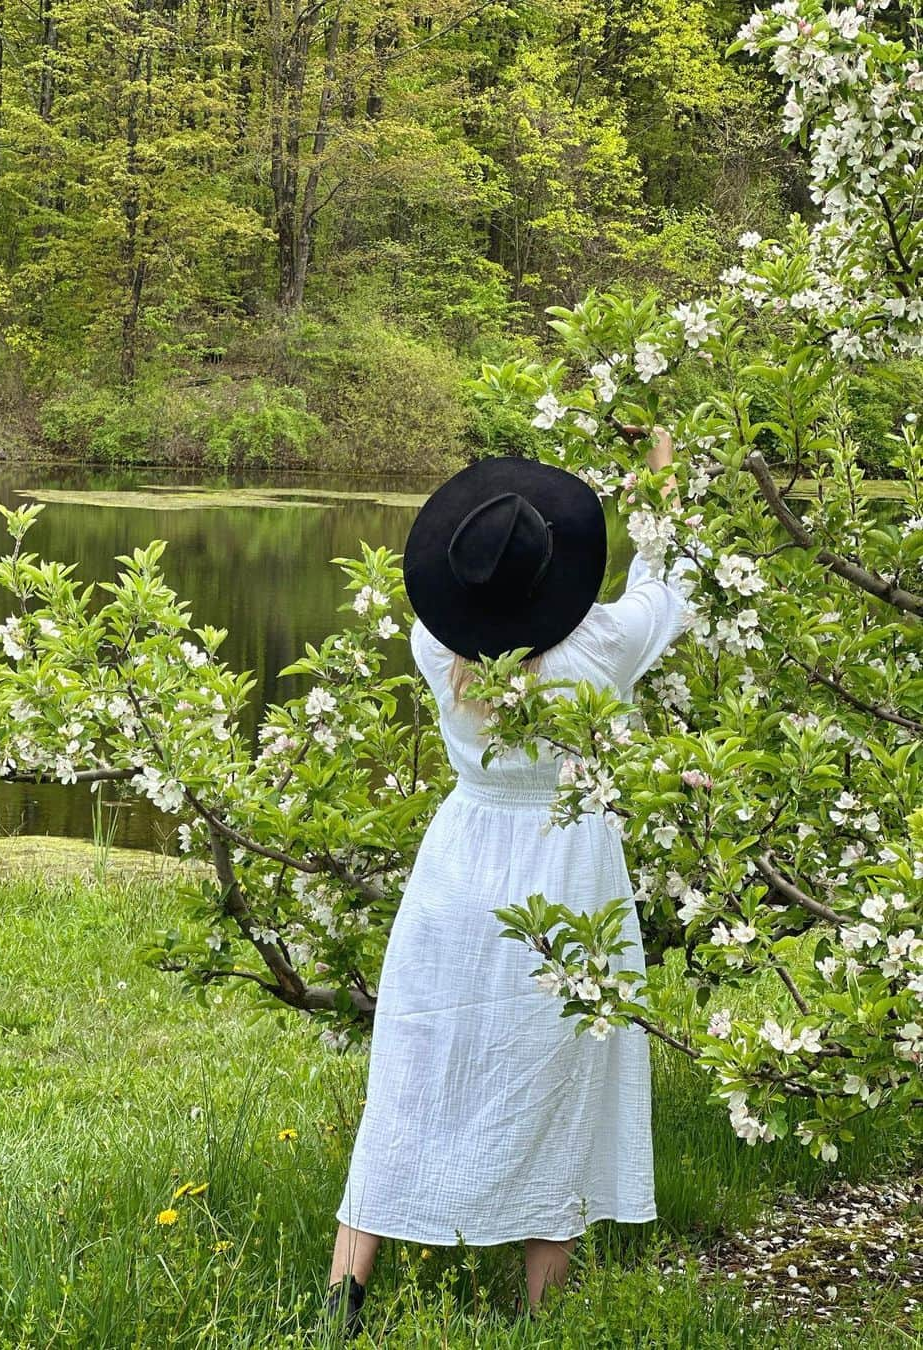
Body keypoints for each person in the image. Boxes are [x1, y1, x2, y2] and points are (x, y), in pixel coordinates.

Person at [322, 429, 696, 1337]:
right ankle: (543, 1316)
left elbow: (460, 615)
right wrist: (663, 481)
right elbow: (668, 586)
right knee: (552, 1074)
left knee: (411, 1074)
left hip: (457, 866)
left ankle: (343, 1299)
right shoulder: (596, 647)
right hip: (564, 868)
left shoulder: (428, 646)